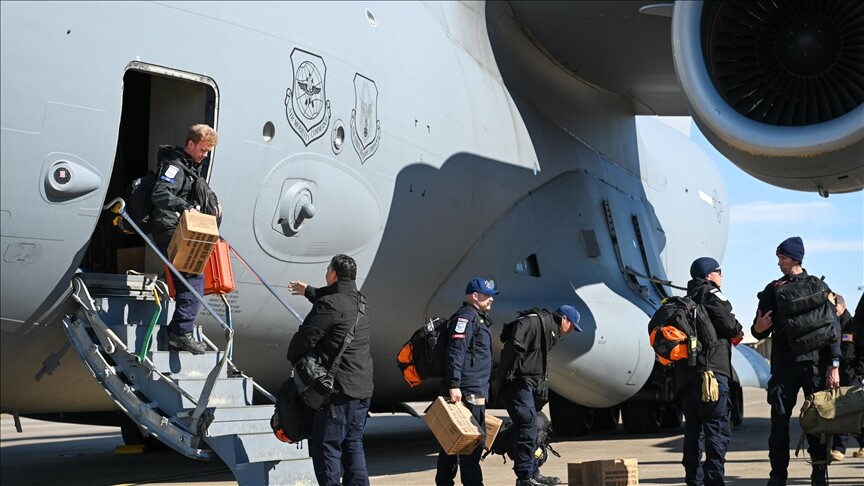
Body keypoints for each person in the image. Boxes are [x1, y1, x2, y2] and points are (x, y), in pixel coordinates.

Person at [751, 236, 841, 486]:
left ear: (794, 259)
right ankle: (802, 476)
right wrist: (833, 365)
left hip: (797, 366)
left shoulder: (783, 288)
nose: (779, 263)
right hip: (804, 364)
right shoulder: (811, 287)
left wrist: (834, 366)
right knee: (800, 421)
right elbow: (832, 329)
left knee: (794, 423)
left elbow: (832, 328)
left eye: (782, 258)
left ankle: (793, 476)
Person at [286, 254, 373, 486]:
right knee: (353, 445)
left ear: (333, 274)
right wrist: (309, 291)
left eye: (327, 270)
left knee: (326, 448)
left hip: (338, 393)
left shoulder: (329, 305)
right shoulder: (361, 301)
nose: (326, 274)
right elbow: (338, 297)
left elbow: (305, 338)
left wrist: (294, 360)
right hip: (363, 389)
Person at [150, 124, 221, 354]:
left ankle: (179, 330)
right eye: (202, 149)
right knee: (193, 275)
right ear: (190, 144)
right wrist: (187, 208)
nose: (205, 155)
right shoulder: (175, 166)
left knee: (191, 276)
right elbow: (160, 193)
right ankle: (181, 332)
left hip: (176, 227)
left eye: (208, 151)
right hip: (168, 227)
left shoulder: (190, 167)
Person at [495, 305, 582, 486]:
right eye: (572, 325)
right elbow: (519, 328)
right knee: (528, 424)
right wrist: (517, 346)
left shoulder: (550, 330)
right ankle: (525, 477)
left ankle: (533, 472)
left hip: (526, 384)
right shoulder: (537, 321)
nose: (572, 330)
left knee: (539, 423)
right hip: (516, 383)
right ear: (563, 319)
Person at [676, 257, 743, 486]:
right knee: (716, 430)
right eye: (718, 271)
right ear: (707, 276)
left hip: (687, 378)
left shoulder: (684, 301)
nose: (721, 275)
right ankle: (714, 481)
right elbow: (730, 326)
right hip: (712, 376)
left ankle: (693, 480)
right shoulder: (712, 294)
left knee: (693, 431)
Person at [436, 277, 498, 486]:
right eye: (487, 295)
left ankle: (445, 482)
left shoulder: (477, 318)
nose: (491, 299)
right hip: (467, 390)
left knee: (454, 443)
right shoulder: (466, 318)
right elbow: (456, 351)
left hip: (474, 388)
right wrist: (454, 384)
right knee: (470, 445)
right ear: (474, 296)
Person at [829, 293, 864, 461]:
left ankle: (838, 448)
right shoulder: (831, 325)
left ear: (842, 306)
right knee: (845, 412)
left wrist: (859, 370)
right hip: (837, 374)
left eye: (835, 308)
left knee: (849, 412)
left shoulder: (853, 324)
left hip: (852, 374)